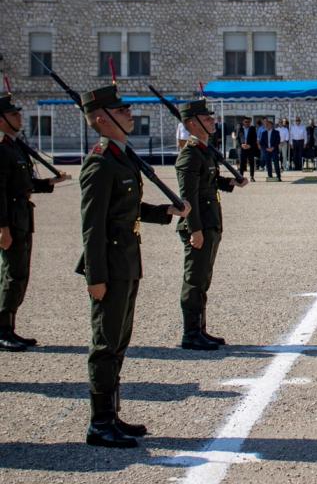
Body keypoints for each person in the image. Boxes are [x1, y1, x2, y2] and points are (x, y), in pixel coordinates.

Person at [78, 84, 190, 448]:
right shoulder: (99, 162)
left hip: (127, 262)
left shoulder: (122, 157)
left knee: (119, 341)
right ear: (100, 118)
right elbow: (93, 226)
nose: (129, 114)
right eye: (121, 110)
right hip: (109, 266)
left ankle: (112, 415)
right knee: (105, 343)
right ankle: (99, 423)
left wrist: (165, 212)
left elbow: (127, 210)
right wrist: (95, 277)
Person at [175, 99, 248, 351]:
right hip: (200, 226)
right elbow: (188, 196)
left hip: (210, 223)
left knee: (203, 279)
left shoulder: (204, 151)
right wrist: (194, 229)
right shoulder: (189, 155)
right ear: (192, 124)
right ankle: (191, 333)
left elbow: (210, 181)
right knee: (194, 280)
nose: (212, 121)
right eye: (207, 119)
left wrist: (231, 183)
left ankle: (201, 329)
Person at [0, 93, 70, 351]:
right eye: (14, 114)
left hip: (22, 218)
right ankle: (2, 329)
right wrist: (2, 227)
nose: (19, 117)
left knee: (19, 274)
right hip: (11, 221)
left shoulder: (15, 146)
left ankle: (10, 326)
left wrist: (49, 183)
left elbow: (22, 184)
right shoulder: (1, 148)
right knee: (10, 275)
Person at [234, 117, 259, 182]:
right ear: (243, 122)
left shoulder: (252, 129)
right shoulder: (240, 128)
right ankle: (241, 176)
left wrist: (250, 145)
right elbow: (237, 139)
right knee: (242, 163)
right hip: (242, 148)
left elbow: (254, 139)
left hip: (250, 148)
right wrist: (241, 145)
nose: (247, 123)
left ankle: (252, 177)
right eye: (246, 122)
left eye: (248, 122)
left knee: (251, 163)